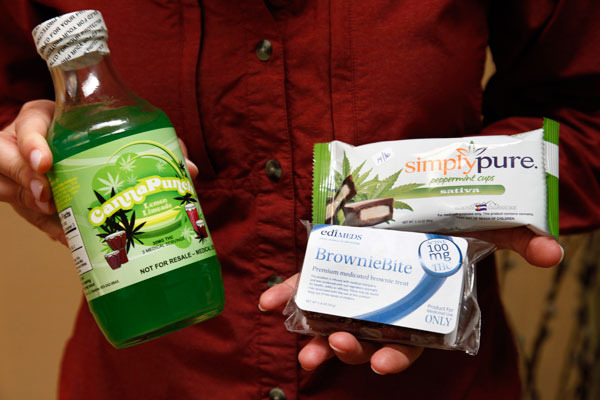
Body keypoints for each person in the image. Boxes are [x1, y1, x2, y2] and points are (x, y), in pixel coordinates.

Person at [0, 1, 597, 399]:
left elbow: (585, 109)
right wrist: (25, 154)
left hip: (429, 375)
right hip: (154, 373)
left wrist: (461, 199)